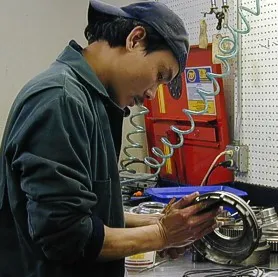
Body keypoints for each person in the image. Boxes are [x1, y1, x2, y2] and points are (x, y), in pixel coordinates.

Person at [0, 1, 221, 277]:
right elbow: (66, 235)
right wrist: (162, 234)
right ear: (135, 39)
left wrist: (157, 224)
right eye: (159, 75)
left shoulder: (89, 102)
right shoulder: (61, 99)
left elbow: (90, 213)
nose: (153, 94)